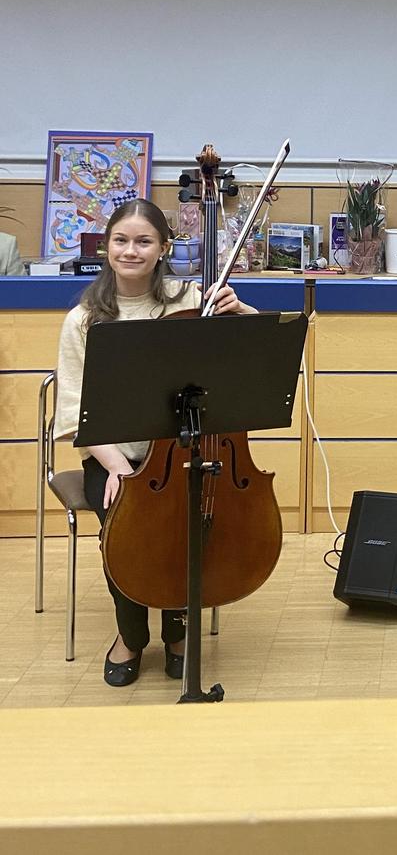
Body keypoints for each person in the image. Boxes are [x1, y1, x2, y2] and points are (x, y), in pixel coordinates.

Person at [53, 198, 255, 687]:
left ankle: (178, 634)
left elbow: (245, 356)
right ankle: (130, 636)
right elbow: (73, 414)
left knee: (189, 527)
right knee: (126, 534)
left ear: (163, 247)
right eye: (121, 240)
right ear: (106, 246)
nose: (131, 251)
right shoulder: (84, 319)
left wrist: (241, 310)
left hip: (185, 450)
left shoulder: (191, 299)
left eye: (143, 241)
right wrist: (119, 468)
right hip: (114, 455)